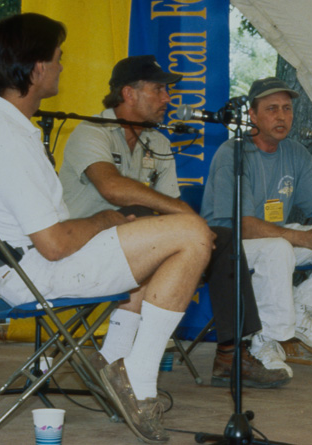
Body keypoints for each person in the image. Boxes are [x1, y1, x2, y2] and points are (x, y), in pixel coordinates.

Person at [0, 14, 212, 443]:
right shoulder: (5, 138)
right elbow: (53, 243)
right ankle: (138, 381)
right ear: (38, 68)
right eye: (59, 58)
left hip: (33, 264)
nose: (63, 66)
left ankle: (116, 359)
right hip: (40, 273)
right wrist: (105, 220)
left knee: (165, 243)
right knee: (191, 235)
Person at [58, 55, 290, 389]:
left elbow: (171, 205)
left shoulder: (158, 141)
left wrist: (196, 227)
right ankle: (118, 358)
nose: (168, 98)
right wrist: (189, 221)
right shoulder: (92, 131)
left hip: (135, 240)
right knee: (179, 228)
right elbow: (112, 188)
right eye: (159, 89)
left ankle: (230, 354)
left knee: (223, 239)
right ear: (129, 93)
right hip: (86, 243)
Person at [200, 77, 312, 377]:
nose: (282, 116)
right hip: (227, 245)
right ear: (252, 114)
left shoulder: (296, 153)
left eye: (287, 109)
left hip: (277, 239)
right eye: (272, 108)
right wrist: (302, 238)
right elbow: (244, 225)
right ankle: (265, 340)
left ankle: (303, 309)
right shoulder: (231, 153)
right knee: (279, 247)